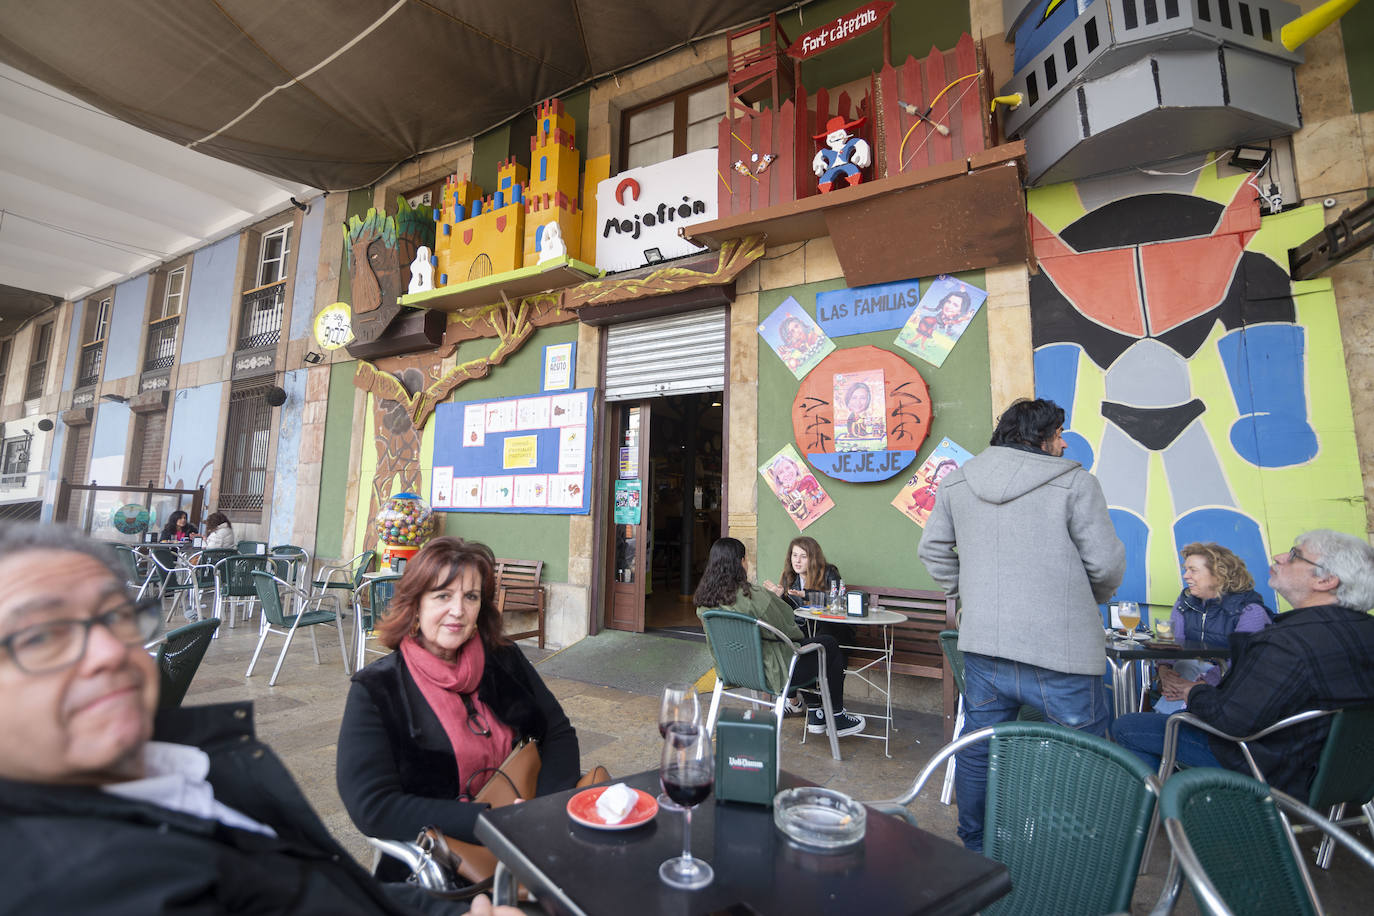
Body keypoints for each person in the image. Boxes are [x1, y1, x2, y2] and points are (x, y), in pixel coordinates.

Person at [0, 521, 501, 915]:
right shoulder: (70, 882)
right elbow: (374, 808)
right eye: (42, 638)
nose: (111, 651)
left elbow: (329, 894)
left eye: (117, 616)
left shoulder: (197, 764)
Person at [917, 398, 1125, 852]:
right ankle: (1066, 854)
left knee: (979, 748)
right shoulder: (1076, 484)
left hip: (985, 645)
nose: (1064, 441)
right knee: (1082, 756)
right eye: (1058, 433)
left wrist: (968, 590)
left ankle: (976, 845)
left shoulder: (957, 484)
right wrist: (1083, 598)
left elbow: (932, 552)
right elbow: (1106, 565)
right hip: (1063, 650)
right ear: (1039, 437)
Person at [336, 536, 581, 882]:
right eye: (442, 596)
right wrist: (488, 821)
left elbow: (558, 732)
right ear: (415, 605)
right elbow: (373, 807)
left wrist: (543, 808)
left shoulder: (504, 659)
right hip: (439, 867)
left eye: (471, 596)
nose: (458, 610)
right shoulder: (377, 690)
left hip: (534, 843)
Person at [1110, 530, 1374, 801]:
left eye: (1295, 555)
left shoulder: (1286, 643)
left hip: (1271, 771)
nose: (1280, 556)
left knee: (1128, 726)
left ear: (1326, 580)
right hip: (1347, 775)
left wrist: (1192, 692)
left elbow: (1231, 722)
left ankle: (1153, 814)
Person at [696, 537, 866, 737]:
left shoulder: (704, 601)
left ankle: (815, 712)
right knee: (826, 644)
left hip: (732, 670)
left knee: (816, 642)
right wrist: (778, 600)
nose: (798, 560)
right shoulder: (754, 596)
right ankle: (836, 717)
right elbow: (790, 630)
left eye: (803, 555)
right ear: (742, 562)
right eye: (795, 555)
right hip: (774, 672)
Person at [1151, 542, 1274, 713]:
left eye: (1193, 570)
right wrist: (1164, 672)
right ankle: (1171, 722)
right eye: (1186, 569)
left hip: (1229, 683)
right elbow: (1170, 644)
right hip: (1188, 677)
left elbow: (1242, 663)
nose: (1186, 576)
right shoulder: (1184, 603)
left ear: (1218, 575)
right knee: (1184, 666)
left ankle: (1166, 724)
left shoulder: (1249, 610)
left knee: (1186, 668)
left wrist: (1198, 685)